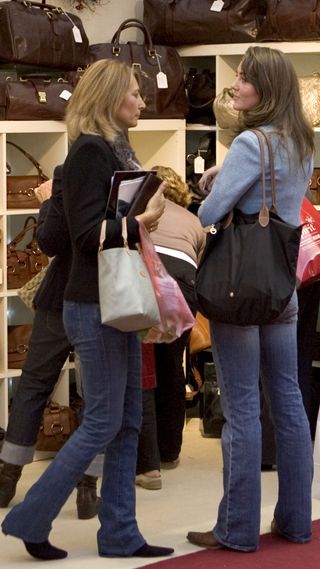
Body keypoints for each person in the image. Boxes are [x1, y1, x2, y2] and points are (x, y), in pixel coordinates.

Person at [2, 58, 173, 561]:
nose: (143, 101)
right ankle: (31, 518)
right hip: (93, 304)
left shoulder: (108, 151)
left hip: (111, 303)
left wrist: (136, 218)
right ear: (110, 98)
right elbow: (81, 236)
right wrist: (142, 220)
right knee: (104, 421)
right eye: (135, 94)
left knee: (126, 420)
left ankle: (119, 533)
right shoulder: (91, 153)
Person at [187, 46, 314, 552]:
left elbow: (210, 212)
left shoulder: (248, 144)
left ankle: (237, 529)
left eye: (242, 80)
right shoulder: (301, 143)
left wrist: (210, 183)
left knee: (241, 406)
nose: (235, 87)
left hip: (240, 285)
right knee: (288, 400)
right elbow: (277, 198)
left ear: (264, 90)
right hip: (282, 283)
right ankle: (297, 521)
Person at [0, 169, 101, 520]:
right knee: (96, 396)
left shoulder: (65, 176)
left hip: (61, 294)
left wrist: (46, 206)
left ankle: (8, 477)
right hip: (104, 297)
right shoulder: (127, 174)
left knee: (33, 386)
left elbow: (50, 240)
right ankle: (88, 488)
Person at [151, 166, 205, 469]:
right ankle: (169, 451)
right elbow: (199, 261)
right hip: (182, 287)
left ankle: (142, 454)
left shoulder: (138, 208)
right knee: (171, 368)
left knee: (139, 369)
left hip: (145, 279)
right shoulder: (193, 220)